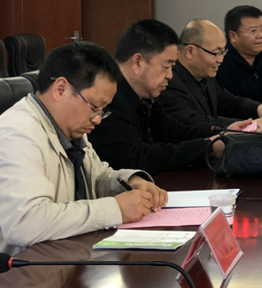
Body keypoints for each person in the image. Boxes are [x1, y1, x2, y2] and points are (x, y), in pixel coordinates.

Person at [0, 42, 167, 279]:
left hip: (54, 266)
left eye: (102, 110)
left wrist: (130, 183)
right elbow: (24, 224)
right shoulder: (18, 133)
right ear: (61, 89)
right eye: (94, 107)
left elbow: (96, 177)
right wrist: (114, 209)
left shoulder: (69, 127)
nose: (97, 119)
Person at [87, 20, 235, 176]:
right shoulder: (108, 100)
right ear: (137, 62)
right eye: (166, 67)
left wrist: (224, 133)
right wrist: (208, 147)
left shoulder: (145, 97)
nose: (170, 75)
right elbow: (138, 157)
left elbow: (175, 132)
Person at [161, 18, 262, 130]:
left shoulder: (205, 75)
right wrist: (249, 125)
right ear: (190, 51)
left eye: (222, 53)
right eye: (216, 53)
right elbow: (192, 121)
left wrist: (260, 109)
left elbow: (230, 102)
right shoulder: (169, 81)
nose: (220, 60)